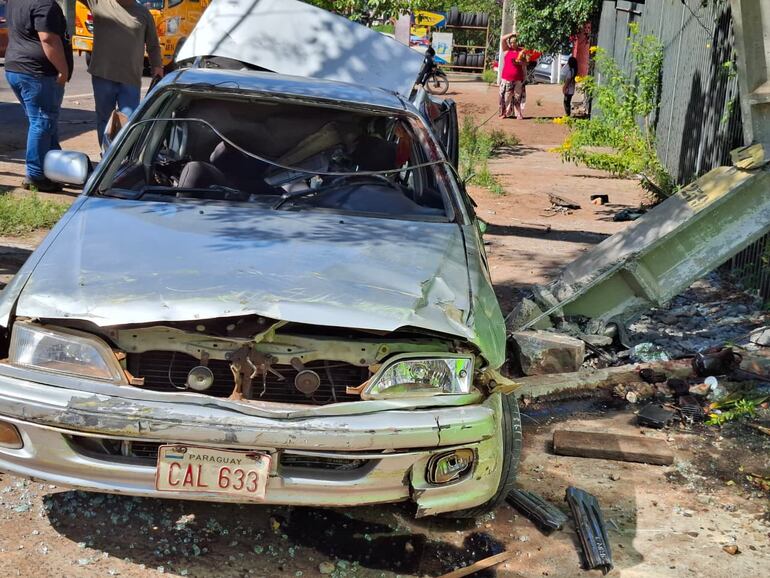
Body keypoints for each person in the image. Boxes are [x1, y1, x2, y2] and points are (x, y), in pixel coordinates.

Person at [4, 0, 72, 192]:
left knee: (44, 122)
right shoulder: (45, 5)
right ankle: (35, 175)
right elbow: (49, 39)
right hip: (37, 73)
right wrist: (63, 69)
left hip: (16, 68)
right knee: (42, 122)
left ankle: (54, 167)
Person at [88, 0, 163, 147]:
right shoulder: (98, 3)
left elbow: (153, 45)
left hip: (130, 78)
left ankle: (123, 159)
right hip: (103, 75)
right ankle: (106, 158)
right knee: (104, 120)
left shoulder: (144, 13)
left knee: (129, 123)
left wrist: (157, 68)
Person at [498, 33, 527, 119]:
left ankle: (518, 113)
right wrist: (513, 33)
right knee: (505, 97)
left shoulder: (522, 51)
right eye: (511, 42)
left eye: (515, 42)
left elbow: (526, 63)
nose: (513, 44)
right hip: (507, 78)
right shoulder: (507, 50)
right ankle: (503, 113)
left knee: (518, 97)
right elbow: (502, 38)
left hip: (518, 78)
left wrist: (520, 62)